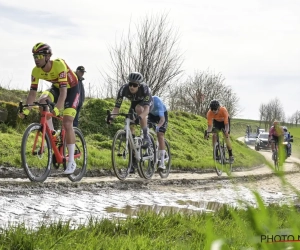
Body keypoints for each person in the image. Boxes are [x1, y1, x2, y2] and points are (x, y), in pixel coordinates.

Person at [18, 42, 80, 174]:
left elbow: (64, 93)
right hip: (57, 88)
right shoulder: (35, 71)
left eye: (39, 56)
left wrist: (57, 108)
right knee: (42, 101)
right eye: (35, 56)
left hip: (72, 90)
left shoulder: (58, 65)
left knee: (67, 122)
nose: (36, 59)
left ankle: (71, 161)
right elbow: (32, 93)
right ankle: (52, 134)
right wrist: (26, 109)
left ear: (47, 57)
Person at [107, 72, 153, 174]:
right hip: (134, 104)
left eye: (135, 85)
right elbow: (116, 109)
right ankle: (133, 162)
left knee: (139, 109)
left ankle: (146, 136)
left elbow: (146, 110)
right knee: (131, 127)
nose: (132, 87)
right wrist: (111, 117)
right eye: (130, 84)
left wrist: (140, 117)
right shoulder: (123, 89)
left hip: (146, 105)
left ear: (139, 85)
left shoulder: (145, 89)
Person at [148, 95, 168, 170]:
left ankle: (162, 163)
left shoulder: (157, 101)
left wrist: (158, 126)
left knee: (160, 134)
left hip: (162, 116)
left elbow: (162, 119)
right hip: (151, 115)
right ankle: (150, 147)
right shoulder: (144, 102)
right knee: (145, 128)